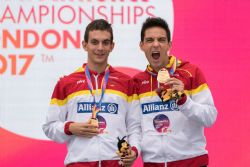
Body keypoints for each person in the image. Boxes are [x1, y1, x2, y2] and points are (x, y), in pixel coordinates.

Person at [43, 19, 141, 167]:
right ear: (85, 45)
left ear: (112, 46)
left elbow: (134, 126)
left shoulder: (126, 82)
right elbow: (49, 127)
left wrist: (134, 150)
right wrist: (69, 127)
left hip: (116, 163)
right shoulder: (66, 83)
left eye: (105, 42)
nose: (100, 48)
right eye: (94, 42)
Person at [133, 17, 217, 167]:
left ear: (169, 44)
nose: (156, 44)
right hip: (153, 164)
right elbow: (135, 128)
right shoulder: (137, 82)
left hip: (191, 162)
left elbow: (210, 117)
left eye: (161, 40)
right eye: (150, 40)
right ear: (142, 45)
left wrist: (184, 100)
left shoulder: (191, 72)